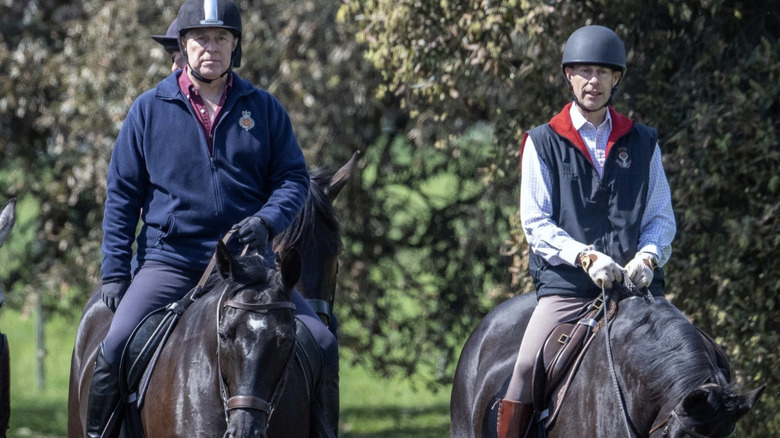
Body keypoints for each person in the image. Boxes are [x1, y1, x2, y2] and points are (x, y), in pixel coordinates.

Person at [85, 1, 339, 437]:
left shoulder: (264, 109)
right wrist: (113, 272)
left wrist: (266, 222)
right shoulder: (148, 111)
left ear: (235, 45)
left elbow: (294, 180)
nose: (211, 47)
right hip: (170, 261)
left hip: (249, 268)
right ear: (183, 45)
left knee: (322, 342)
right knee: (113, 346)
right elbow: (123, 197)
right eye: (201, 38)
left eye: (221, 38)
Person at [495, 25, 676, 438]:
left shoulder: (644, 142)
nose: (593, 81)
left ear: (617, 79)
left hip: (636, 291)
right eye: (584, 71)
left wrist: (648, 256)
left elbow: (660, 217)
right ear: (569, 76)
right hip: (568, 290)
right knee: (524, 368)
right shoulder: (542, 142)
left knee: (696, 360)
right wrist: (586, 257)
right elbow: (536, 223)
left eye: (603, 72)